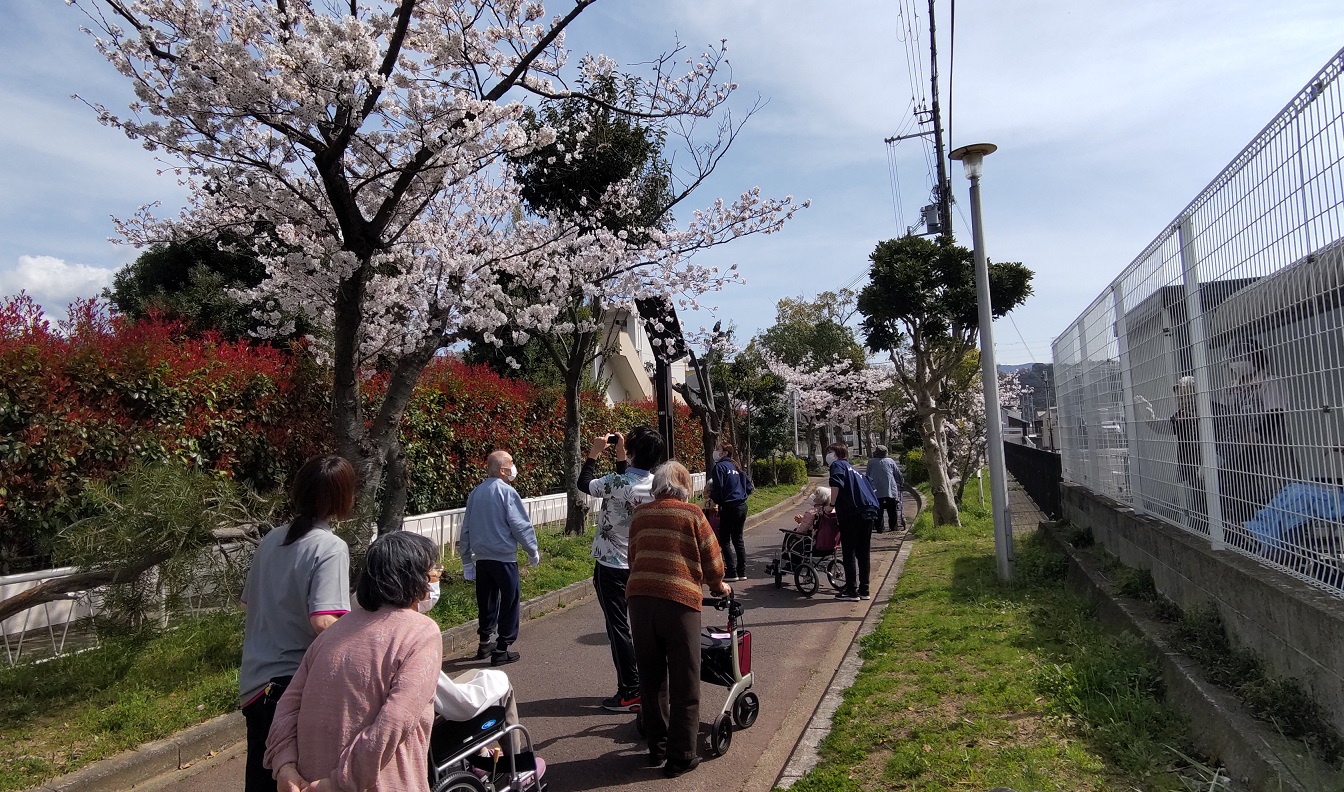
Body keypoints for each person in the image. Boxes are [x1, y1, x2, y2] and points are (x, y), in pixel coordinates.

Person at [264, 532, 443, 792]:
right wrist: (340, 782)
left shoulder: (334, 633)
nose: (432, 580)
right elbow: (395, 721)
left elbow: (287, 707)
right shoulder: (421, 632)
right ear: (415, 579)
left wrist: (285, 766)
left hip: (306, 782)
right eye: (430, 572)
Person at [239, 455, 354, 792]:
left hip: (254, 683)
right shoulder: (330, 547)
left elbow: (248, 602)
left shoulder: (272, 539)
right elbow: (323, 621)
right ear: (343, 498)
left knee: (261, 778)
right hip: (292, 687)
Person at [627, 461, 731, 778]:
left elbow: (633, 557)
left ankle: (656, 749)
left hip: (640, 600)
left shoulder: (640, 515)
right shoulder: (693, 515)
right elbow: (712, 560)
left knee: (651, 676)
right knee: (685, 679)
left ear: (657, 487)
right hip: (679, 601)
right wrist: (718, 586)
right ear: (685, 487)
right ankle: (682, 755)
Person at [576, 426, 663, 712]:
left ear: (635, 452)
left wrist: (594, 453)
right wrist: (622, 453)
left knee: (618, 628)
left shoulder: (614, 482)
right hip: (642, 564)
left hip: (611, 565)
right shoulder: (657, 486)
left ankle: (630, 690)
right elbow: (627, 477)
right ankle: (651, 686)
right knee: (644, 626)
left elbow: (584, 483)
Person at [460, 449, 540, 666]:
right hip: (504, 559)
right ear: (504, 469)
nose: (514, 467)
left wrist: (466, 560)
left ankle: (484, 642)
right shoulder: (507, 492)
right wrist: (532, 549)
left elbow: (465, 528)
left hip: (482, 560)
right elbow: (520, 526)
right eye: (511, 463)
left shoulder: (476, 493)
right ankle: (502, 647)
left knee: (486, 601)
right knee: (510, 601)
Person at [826, 443, 880, 602]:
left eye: (829, 452)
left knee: (849, 552)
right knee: (863, 553)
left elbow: (836, 484)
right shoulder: (854, 469)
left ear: (836, 453)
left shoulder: (837, 465)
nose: (827, 455)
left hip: (851, 513)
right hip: (868, 511)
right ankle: (864, 590)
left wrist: (831, 505)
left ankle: (851, 591)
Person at [706, 441, 752, 581]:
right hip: (742, 505)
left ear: (725, 453)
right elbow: (749, 487)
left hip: (728, 506)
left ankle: (731, 572)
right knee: (738, 538)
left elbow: (718, 488)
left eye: (718, 449)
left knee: (725, 539)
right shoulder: (736, 466)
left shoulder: (719, 467)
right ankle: (741, 571)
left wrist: (714, 499)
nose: (715, 451)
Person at [865, 445, 906, 533]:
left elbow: (867, 476)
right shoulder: (890, 461)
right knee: (892, 509)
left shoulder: (871, 462)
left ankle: (879, 527)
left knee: (878, 509)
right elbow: (897, 474)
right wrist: (901, 481)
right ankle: (893, 527)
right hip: (890, 489)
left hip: (875, 490)